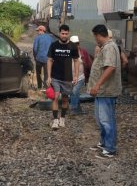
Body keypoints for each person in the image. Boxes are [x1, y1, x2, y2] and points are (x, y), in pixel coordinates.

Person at [88, 24, 122, 157]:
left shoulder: (109, 47)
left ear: (98, 35)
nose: (95, 39)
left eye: (95, 36)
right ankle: (104, 143)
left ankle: (110, 149)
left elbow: (110, 67)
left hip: (106, 91)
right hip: (102, 92)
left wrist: (97, 85)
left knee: (107, 120)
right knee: (101, 119)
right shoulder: (107, 47)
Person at [46, 24, 80, 130]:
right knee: (55, 97)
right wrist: (49, 76)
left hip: (67, 77)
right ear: (59, 33)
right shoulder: (54, 45)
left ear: (68, 33)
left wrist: (76, 76)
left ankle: (62, 118)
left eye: (66, 33)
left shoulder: (73, 46)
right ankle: (55, 120)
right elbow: (49, 60)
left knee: (65, 99)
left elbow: (76, 61)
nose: (64, 35)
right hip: (55, 76)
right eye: (62, 33)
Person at [69, 35, 92, 115]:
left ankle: (73, 108)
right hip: (70, 77)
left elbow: (89, 64)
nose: (76, 45)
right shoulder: (67, 52)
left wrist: (89, 77)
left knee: (74, 91)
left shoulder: (83, 52)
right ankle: (78, 109)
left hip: (81, 76)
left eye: (77, 43)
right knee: (76, 93)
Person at [32, 25, 55, 89]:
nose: (37, 32)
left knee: (38, 73)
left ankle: (39, 87)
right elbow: (53, 48)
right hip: (48, 60)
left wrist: (35, 57)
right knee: (46, 74)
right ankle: (46, 88)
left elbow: (35, 49)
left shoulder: (37, 38)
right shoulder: (51, 38)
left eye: (38, 31)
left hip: (39, 58)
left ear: (41, 30)